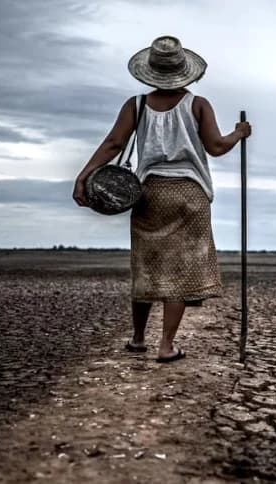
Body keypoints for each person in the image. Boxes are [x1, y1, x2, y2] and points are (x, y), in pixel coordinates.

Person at [73, 35, 251, 363]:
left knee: (146, 266)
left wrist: (84, 175)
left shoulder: (136, 105)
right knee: (180, 273)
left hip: (149, 193)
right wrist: (238, 135)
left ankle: (139, 338)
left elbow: (114, 144)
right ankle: (166, 345)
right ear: (185, 71)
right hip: (190, 194)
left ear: (150, 71)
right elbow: (216, 147)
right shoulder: (197, 104)